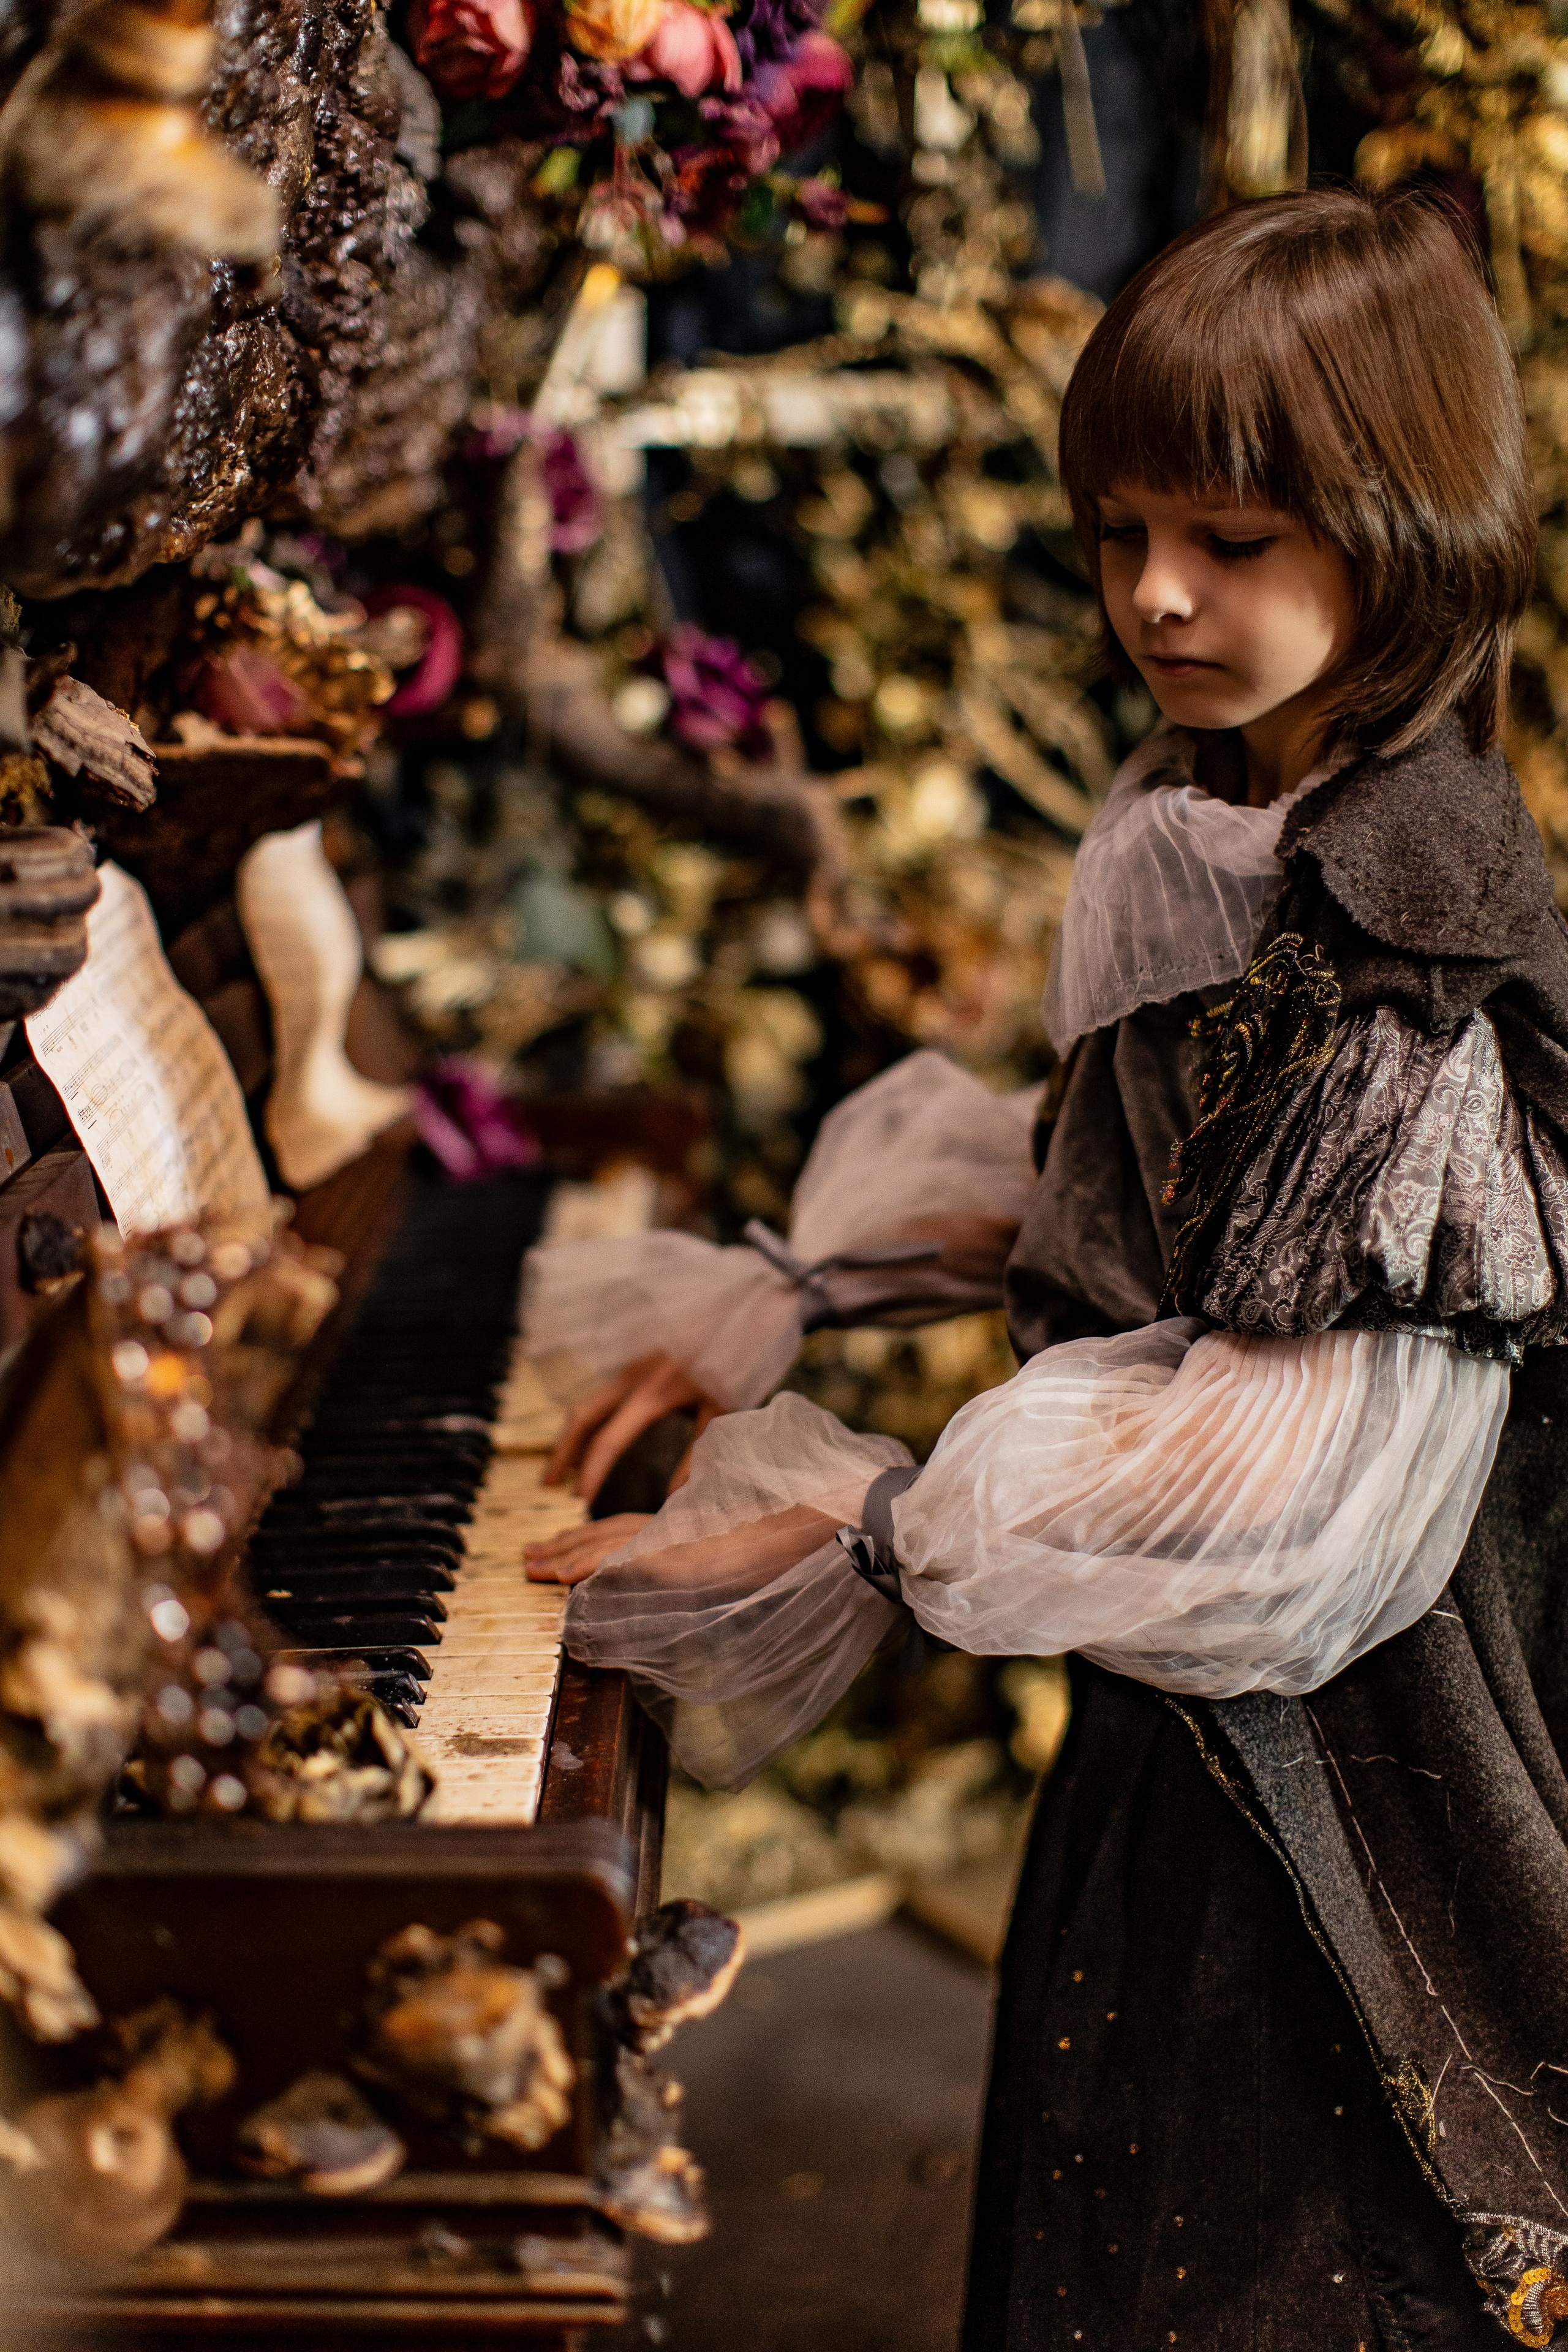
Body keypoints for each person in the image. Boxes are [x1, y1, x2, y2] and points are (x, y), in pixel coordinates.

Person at [526, 186, 1568, 2345]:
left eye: (1237, 540)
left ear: (1404, 533)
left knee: (1265, 2229)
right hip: (1199, 1712)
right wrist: (804, 1293)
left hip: (1352, 1736)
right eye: (1119, 535)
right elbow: (1147, 1178)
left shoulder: (1406, 930)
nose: (1158, 595)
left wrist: (875, 1522)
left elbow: (1299, 1480)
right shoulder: (1226, 797)